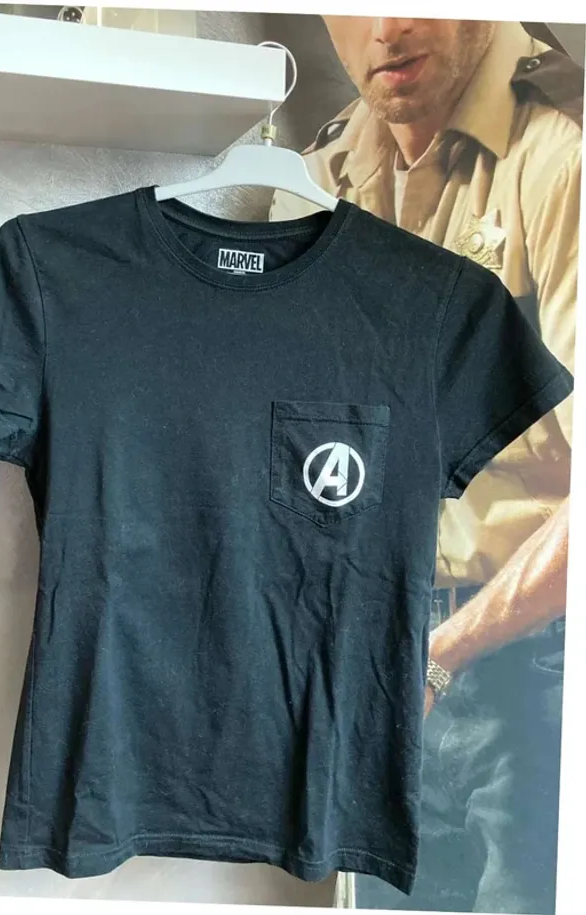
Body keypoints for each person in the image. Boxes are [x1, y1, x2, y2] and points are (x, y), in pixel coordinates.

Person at [270, 18, 582, 915]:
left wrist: (442, 655)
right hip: (382, 661)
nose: (387, 26)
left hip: (535, 663)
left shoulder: (562, 156)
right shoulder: (325, 172)